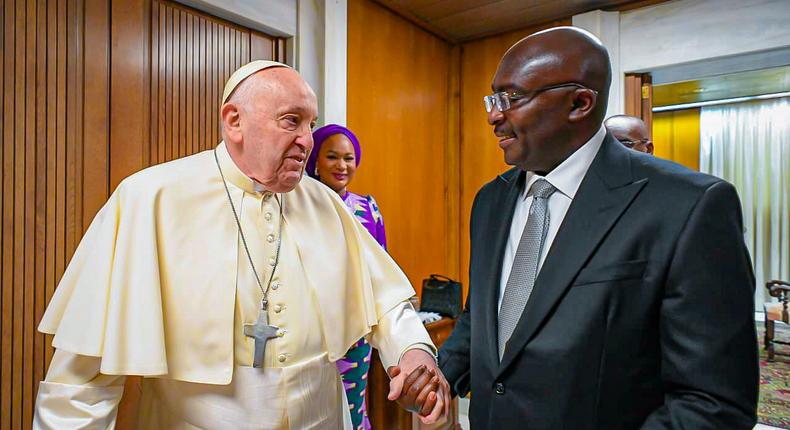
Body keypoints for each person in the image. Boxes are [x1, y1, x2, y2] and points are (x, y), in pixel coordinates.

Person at [33, 60, 449, 429]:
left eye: (311, 123)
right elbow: (81, 380)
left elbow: (386, 301)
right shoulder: (150, 198)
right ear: (234, 121)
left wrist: (412, 350)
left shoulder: (323, 201)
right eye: (291, 121)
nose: (308, 139)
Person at [434, 27, 758, 428]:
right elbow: (483, 317)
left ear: (579, 103)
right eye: (494, 98)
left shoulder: (689, 205)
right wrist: (440, 374)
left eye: (512, 98)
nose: (493, 115)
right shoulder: (490, 201)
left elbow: (712, 403)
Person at [306, 124, 386, 430]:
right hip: (312, 333)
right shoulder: (301, 205)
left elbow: (382, 271)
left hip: (356, 331)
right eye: (332, 157)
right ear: (315, 161)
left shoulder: (369, 208)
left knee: (353, 410)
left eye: (348, 158)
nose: (342, 165)